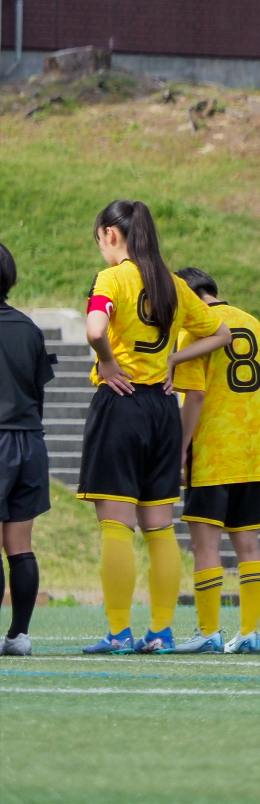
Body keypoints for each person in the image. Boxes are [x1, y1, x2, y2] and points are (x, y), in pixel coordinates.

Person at [78, 200, 231, 655]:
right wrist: (172, 359)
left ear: (110, 234)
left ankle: (119, 633)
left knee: (116, 526)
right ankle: (161, 632)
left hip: (121, 404)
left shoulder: (113, 277)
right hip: (163, 409)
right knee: (160, 526)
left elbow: (93, 327)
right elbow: (220, 333)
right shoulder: (173, 282)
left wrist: (106, 360)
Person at [171, 268, 260, 655]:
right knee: (248, 543)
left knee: (205, 545)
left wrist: (181, 447)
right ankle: (249, 631)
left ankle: (208, 630)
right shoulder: (253, 324)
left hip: (213, 449)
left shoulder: (197, 329)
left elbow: (194, 396)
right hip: (252, 449)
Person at [0, 243, 55, 656]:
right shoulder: (29, 328)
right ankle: (19, 636)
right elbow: (39, 390)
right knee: (20, 545)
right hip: (29, 442)